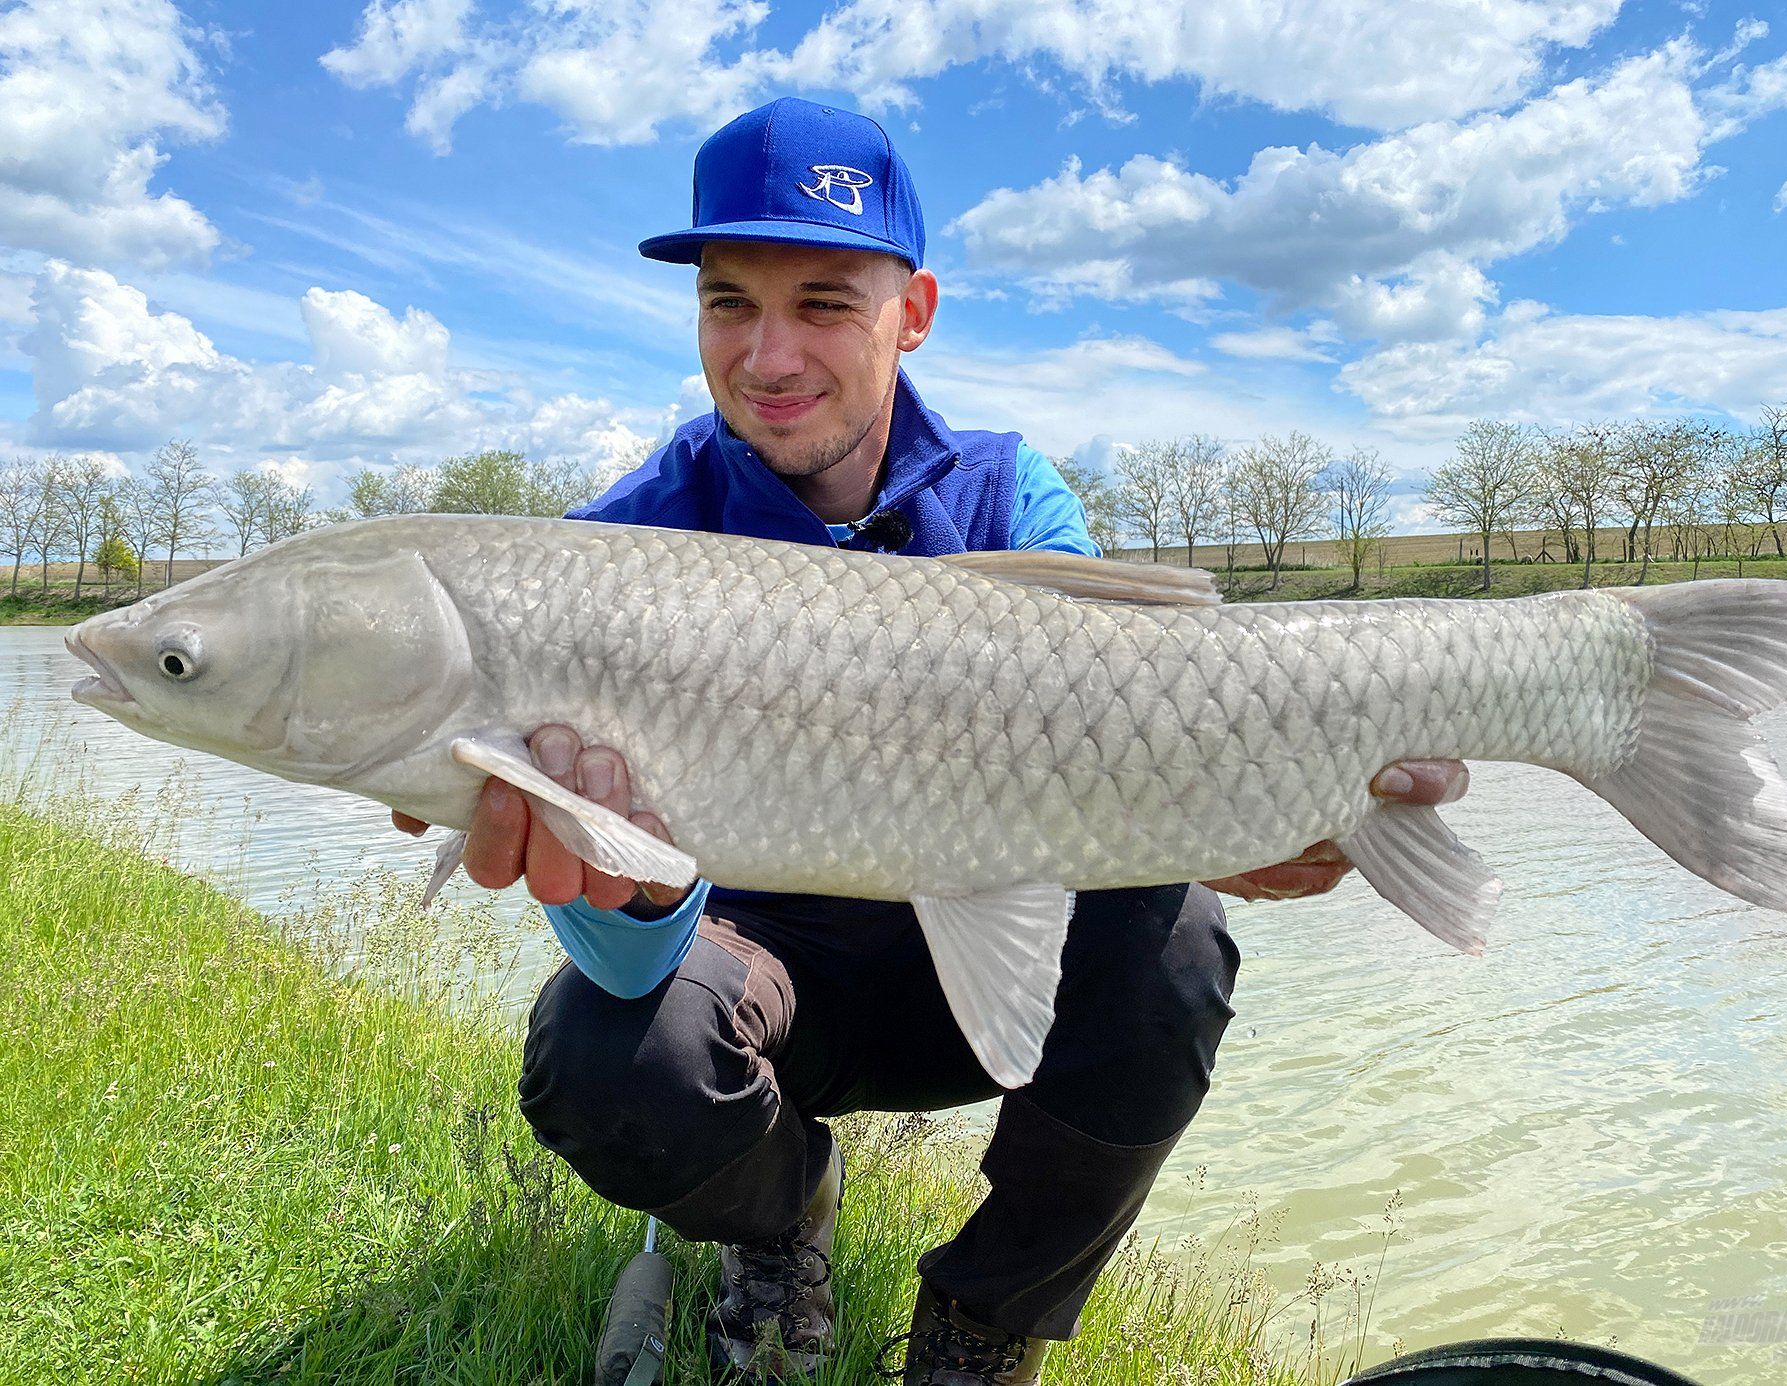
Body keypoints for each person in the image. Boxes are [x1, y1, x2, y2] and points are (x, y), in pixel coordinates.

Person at [394, 97, 1469, 1385]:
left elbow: (1128, 724)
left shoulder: (1013, 495)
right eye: (729, 302)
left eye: (828, 302)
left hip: (997, 945)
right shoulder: (614, 552)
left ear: (915, 312)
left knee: (1176, 940)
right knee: (607, 1050)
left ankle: (989, 1319)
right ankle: (780, 1222)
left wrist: (1265, 815)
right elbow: (628, 952)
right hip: (768, 970)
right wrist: (608, 889)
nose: (769, 354)